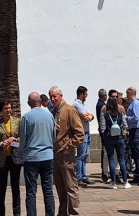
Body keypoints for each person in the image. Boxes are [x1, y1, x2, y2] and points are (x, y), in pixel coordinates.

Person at [18, 92, 56, 216]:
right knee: (48, 190)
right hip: (47, 156)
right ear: (40, 101)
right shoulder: (49, 115)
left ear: (29, 102)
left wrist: (21, 151)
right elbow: (53, 136)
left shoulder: (27, 117)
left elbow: (23, 140)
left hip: (31, 157)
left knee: (31, 191)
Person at [50, 86, 84, 216]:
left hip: (66, 155)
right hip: (55, 154)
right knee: (60, 187)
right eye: (51, 96)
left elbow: (79, 133)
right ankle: (62, 212)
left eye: (55, 96)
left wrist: (69, 146)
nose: (53, 99)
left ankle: (74, 212)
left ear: (61, 96)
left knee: (70, 186)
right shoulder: (53, 111)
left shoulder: (69, 110)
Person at [0, 100, 22, 216]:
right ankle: (1, 212)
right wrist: (1, 144)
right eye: (5, 108)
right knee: (2, 187)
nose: (8, 110)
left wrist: (14, 140)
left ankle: (17, 213)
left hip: (15, 158)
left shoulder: (18, 121)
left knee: (15, 187)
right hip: (2, 159)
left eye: (9, 108)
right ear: (1, 111)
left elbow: (22, 139)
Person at [100, 92, 129, 188]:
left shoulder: (105, 114)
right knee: (121, 159)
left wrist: (105, 135)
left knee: (111, 158)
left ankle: (113, 183)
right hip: (119, 138)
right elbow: (125, 125)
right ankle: (125, 182)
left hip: (109, 138)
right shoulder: (120, 113)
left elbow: (102, 127)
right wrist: (123, 132)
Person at [71, 86, 94, 187]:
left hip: (87, 132)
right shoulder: (76, 104)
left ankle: (84, 176)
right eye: (86, 94)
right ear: (82, 94)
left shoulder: (83, 104)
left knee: (85, 156)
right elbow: (86, 116)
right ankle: (79, 176)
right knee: (80, 156)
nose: (87, 96)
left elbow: (91, 116)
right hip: (82, 133)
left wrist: (90, 116)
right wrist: (89, 116)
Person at [95, 89, 109, 184]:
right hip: (104, 130)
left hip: (101, 128)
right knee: (105, 151)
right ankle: (104, 173)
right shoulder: (102, 105)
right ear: (104, 96)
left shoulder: (100, 104)